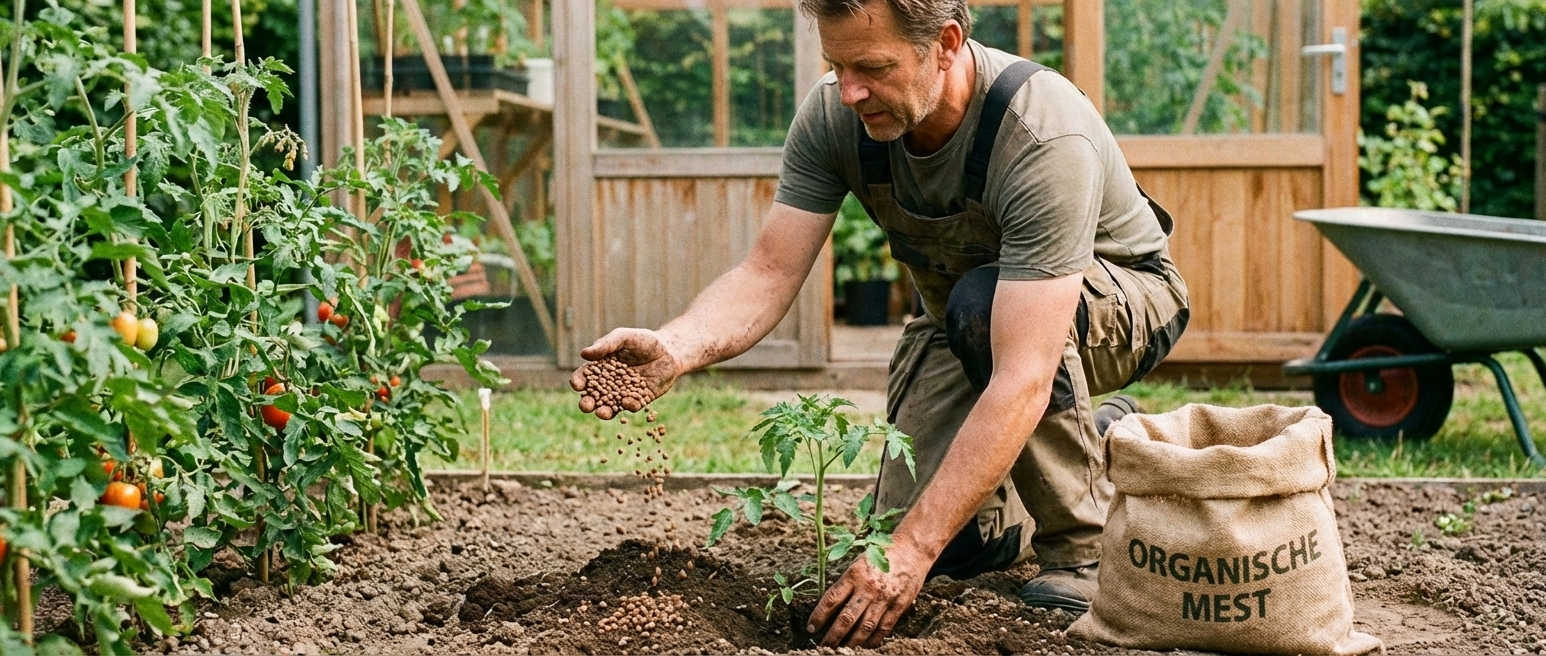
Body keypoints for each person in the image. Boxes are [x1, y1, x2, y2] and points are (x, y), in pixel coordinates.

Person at [569, 0, 1190, 647]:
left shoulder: (1037, 131)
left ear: (946, 44)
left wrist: (911, 551)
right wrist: (675, 347)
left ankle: (1081, 549)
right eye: (836, 65)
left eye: (871, 67)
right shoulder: (836, 116)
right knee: (941, 541)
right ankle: (1094, 438)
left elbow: (1026, 372)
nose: (849, 91)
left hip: (1120, 302)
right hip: (965, 320)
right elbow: (768, 273)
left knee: (921, 524)